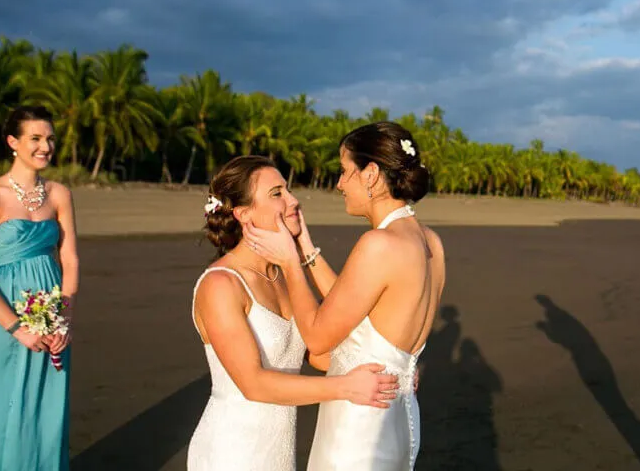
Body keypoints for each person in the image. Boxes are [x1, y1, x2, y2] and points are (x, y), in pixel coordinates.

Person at [243, 121, 446, 470]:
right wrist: (304, 245)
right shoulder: (430, 242)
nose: (338, 184)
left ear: (370, 174)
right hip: (401, 417)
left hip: (361, 426)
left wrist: (290, 263)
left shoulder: (378, 245)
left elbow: (319, 334)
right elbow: (358, 304)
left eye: (344, 171)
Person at [187, 155, 400, 471]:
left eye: (287, 190)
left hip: (278, 454)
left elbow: (316, 354)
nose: (293, 200)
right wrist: (347, 387)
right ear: (244, 214)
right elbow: (254, 384)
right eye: (277, 194)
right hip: (231, 452)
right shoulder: (220, 285)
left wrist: (389, 371)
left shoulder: (283, 276)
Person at [0, 105, 78, 471]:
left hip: (52, 317)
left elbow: (70, 260)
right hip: (0, 317)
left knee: (46, 408)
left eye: (50, 138)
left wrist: (63, 320)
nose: (45, 146)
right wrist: (17, 328)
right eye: (35, 138)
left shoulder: (59, 194)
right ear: (12, 142)